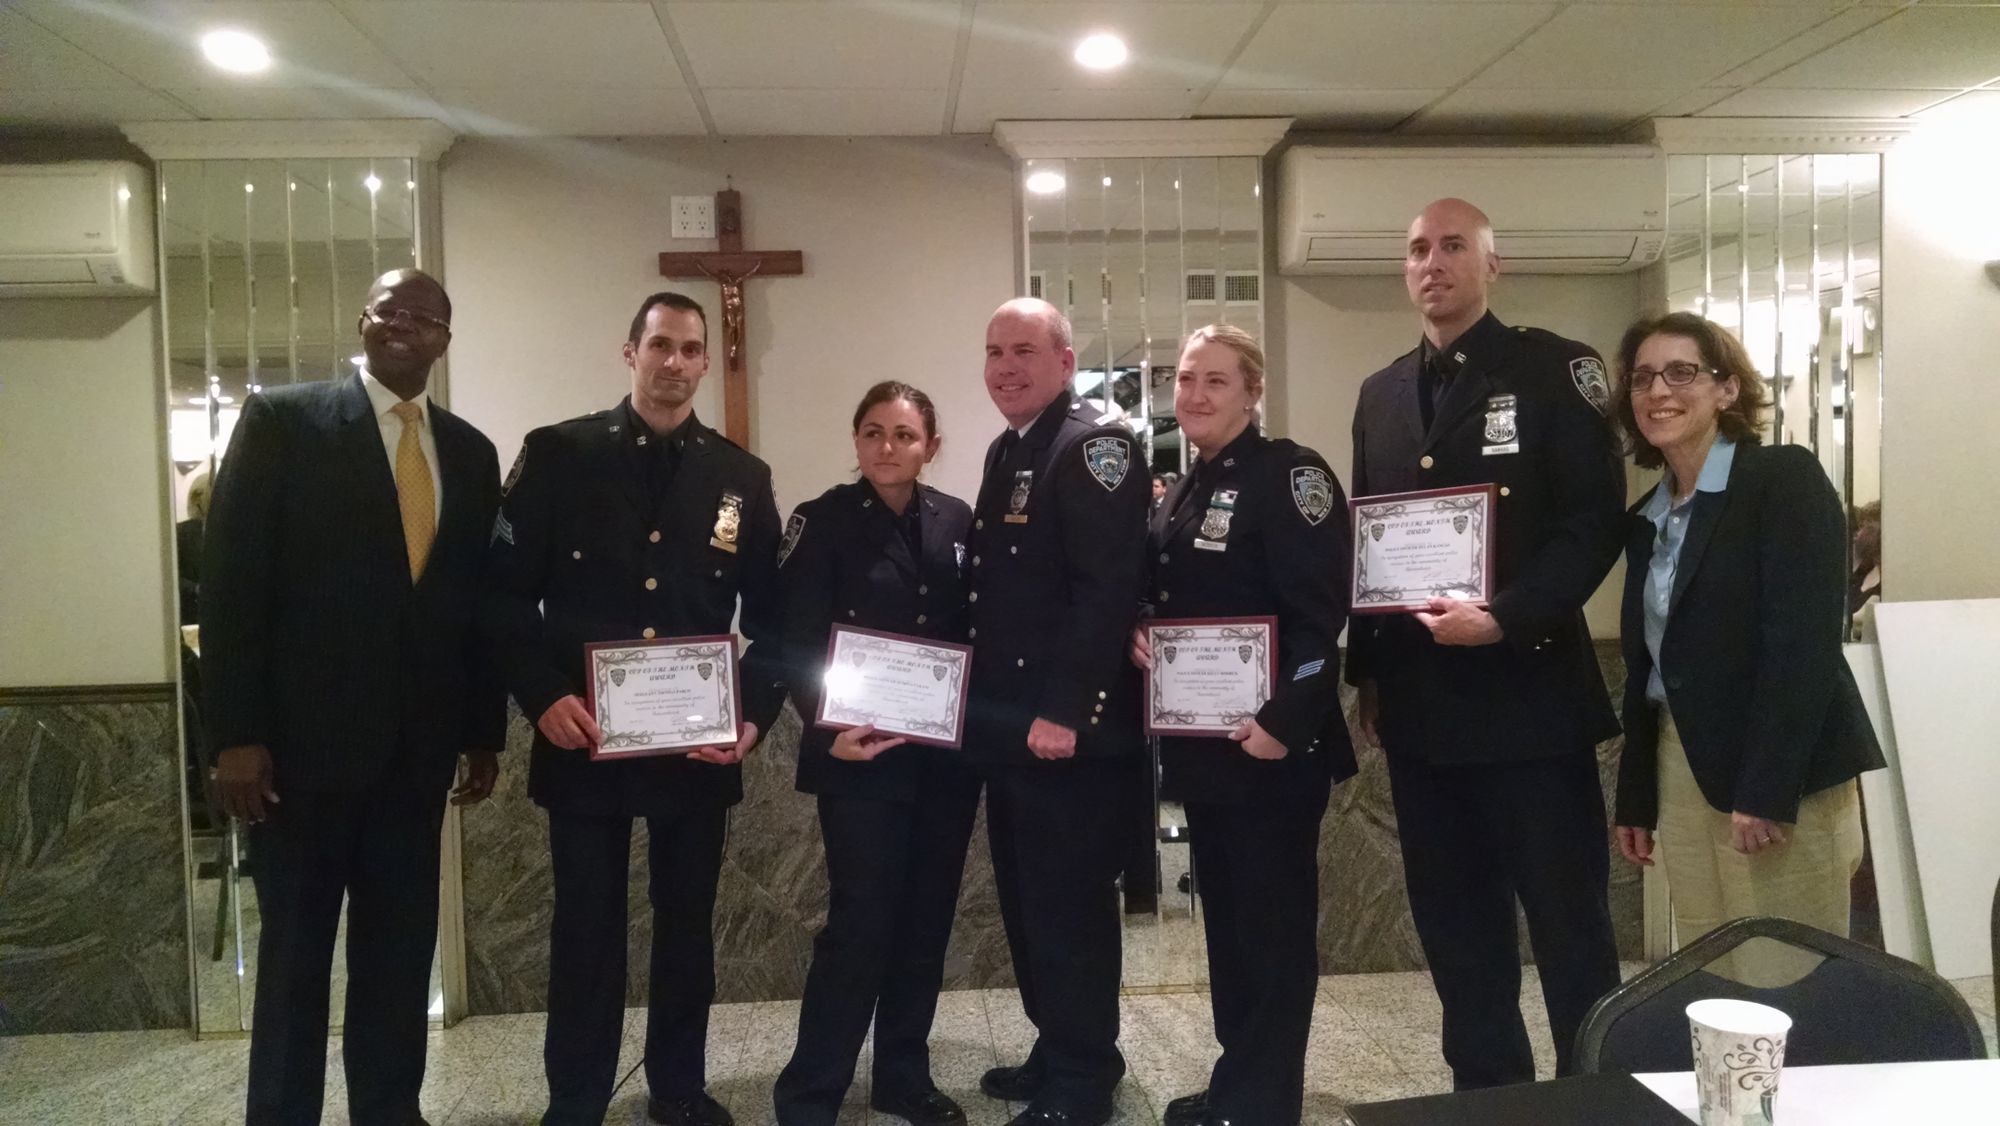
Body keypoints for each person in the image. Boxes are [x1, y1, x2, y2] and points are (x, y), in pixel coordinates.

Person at [201, 268, 504, 1125]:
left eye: (425, 317)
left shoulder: (471, 453)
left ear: (446, 339)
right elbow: (231, 585)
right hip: (297, 763)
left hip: (415, 763)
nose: (403, 325)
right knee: (296, 964)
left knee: (398, 962)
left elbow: (470, 606)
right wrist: (235, 734)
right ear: (364, 323)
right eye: (388, 310)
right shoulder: (286, 423)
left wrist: (482, 732)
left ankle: (388, 1111)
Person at [1346, 198, 1626, 1089]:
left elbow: (1591, 526)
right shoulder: (1381, 393)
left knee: (1568, 929)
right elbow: (1374, 545)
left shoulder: (1557, 370)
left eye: (1454, 246)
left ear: (1492, 265)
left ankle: (1591, 1099)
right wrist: (1368, 679)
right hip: (1426, 716)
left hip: (1531, 703)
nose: (1433, 262)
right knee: (1457, 933)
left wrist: (1505, 614)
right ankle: (1489, 1101)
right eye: (1418, 247)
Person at [487, 291, 783, 1126]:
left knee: (686, 927)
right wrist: (541, 695)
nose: (676, 362)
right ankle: (576, 1097)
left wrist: (753, 719)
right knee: (586, 929)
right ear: (630, 353)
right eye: (660, 344)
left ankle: (679, 1088)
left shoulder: (740, 477)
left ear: (703, 361)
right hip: (583, 739)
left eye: (691, 349)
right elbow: (503, 597)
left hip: (695, 751)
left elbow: (773, 623)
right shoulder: (558, 454)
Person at [1609, 312, 1884, 986]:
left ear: (1727, 389)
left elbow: (1803, 647)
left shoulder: (1780, 480)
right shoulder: (1647, 518)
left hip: (1774, 767)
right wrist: (1637, 798)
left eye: (1682, 372)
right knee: (1712, 967)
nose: (1658, 391)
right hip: (1682, 764)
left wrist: (1767, 789)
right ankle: (1731, 1094)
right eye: (1643, 378)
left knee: (1788, 970)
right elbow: (1649, 667)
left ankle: (1808, 1094)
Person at [1129, 325, 1356, 1126]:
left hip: (1270, 750)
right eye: (1185, 379)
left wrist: (1282, 721)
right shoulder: (1185, 488)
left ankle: (1265, 1100)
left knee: (1271, 930)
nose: (1194, 394)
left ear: (1253, 392)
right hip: (1204, 751)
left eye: (1215, 381)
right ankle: (1240, 1079)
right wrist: (1142, 632)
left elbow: (1318, 617)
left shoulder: (1289, 474)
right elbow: (1175, 602)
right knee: (1226, 924)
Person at [770, 382, 981, 1126]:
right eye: (872, 433)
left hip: (942, 761)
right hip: (858, 758)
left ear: (932, 444)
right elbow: (795, 642)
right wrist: (828, 733)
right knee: (859, 925)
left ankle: (903, 1077)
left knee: (925, 923)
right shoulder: (819, 520)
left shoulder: (958, 520)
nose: (887, 447)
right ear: (856, 441)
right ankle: (811, 1089)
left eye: (904, 434)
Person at [968, 297, 1150, 1126]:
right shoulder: (1011, 449)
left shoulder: (1094, 448)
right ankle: (1057, 1041)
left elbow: (1106, 591)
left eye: (1025, 351)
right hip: (1014, 729)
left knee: (1070, 906)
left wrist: (1066, 710)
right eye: (995, 351)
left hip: (1067, 733)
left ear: (1066, 362)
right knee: (1028, 900)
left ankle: (1085, 1075)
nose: (1006, 366)